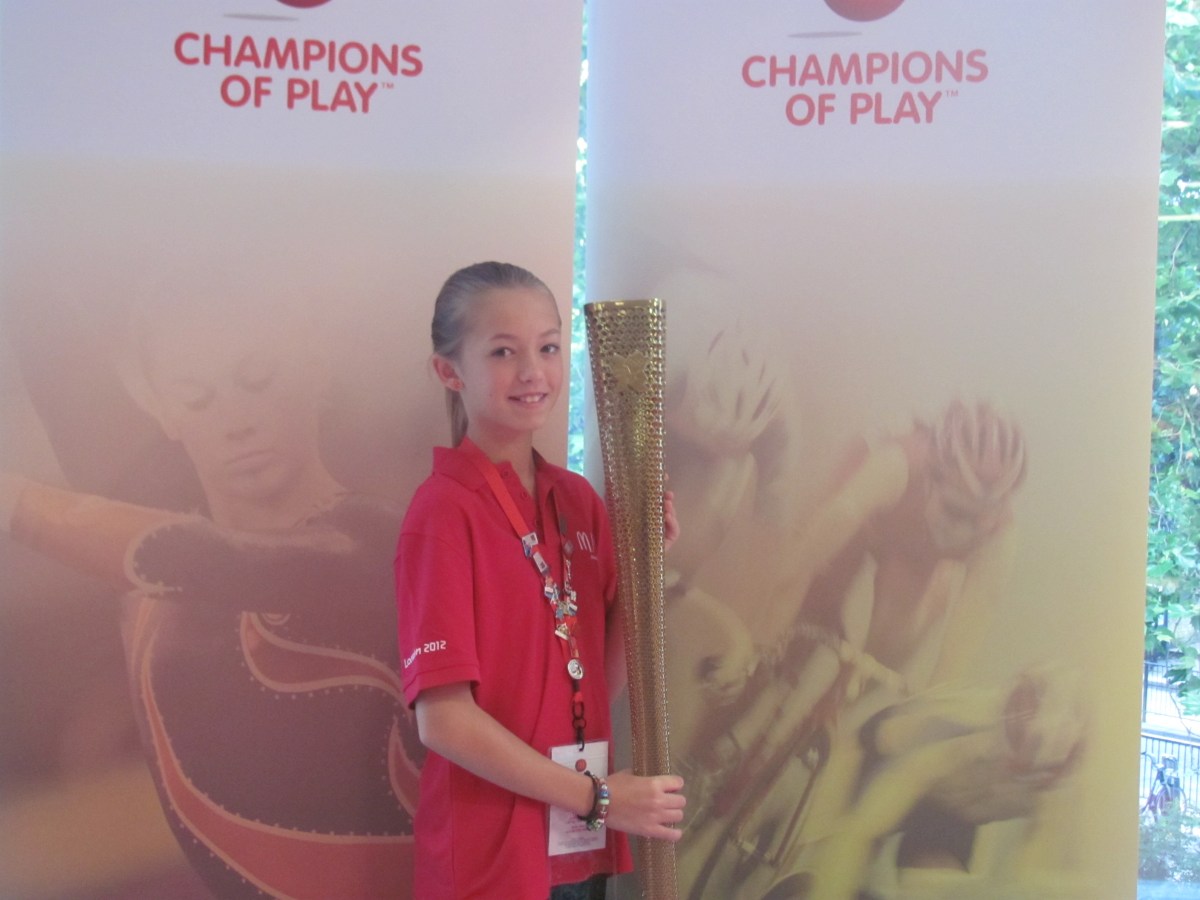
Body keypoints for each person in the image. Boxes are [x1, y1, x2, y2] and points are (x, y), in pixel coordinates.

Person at [0, 277, 421, 899]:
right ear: (159, 408)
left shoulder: (381, 542)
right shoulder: (146, 546)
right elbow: (42, 323)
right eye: (197, 398)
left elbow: (216, 562)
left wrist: (15, 500)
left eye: (257, 381)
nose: (234, 422)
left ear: (314, 370)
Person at [394, 261, 686, 900]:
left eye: (548, 348)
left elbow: (599, 681)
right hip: (491, 857)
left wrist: (646, 570)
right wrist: (600, 798)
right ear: (449, 370)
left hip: (575, 846)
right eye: (503, 352)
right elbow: (444, 721)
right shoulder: (443, 512)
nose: (533, 371)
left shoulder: (577, 501)